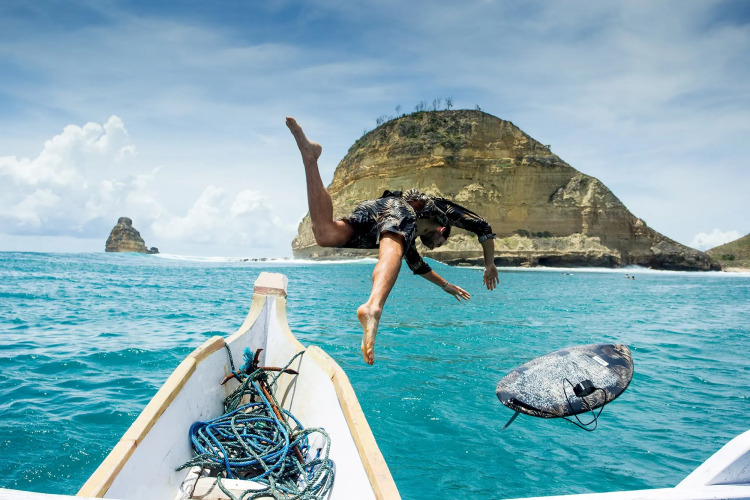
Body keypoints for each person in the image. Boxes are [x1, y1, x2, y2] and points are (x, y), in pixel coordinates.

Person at [287, 117, 499, 365]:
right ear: (442, 229)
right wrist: (489, 264)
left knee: (326, 234)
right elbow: (482, 225)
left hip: (376, 210)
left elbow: (418, 266)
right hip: (397, 207)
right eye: (439, 243)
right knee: (392, 247)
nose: (433, 247)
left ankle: (310, 158)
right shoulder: (438, 211)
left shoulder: (409, 235)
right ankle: (373, 307)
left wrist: (445, 285)